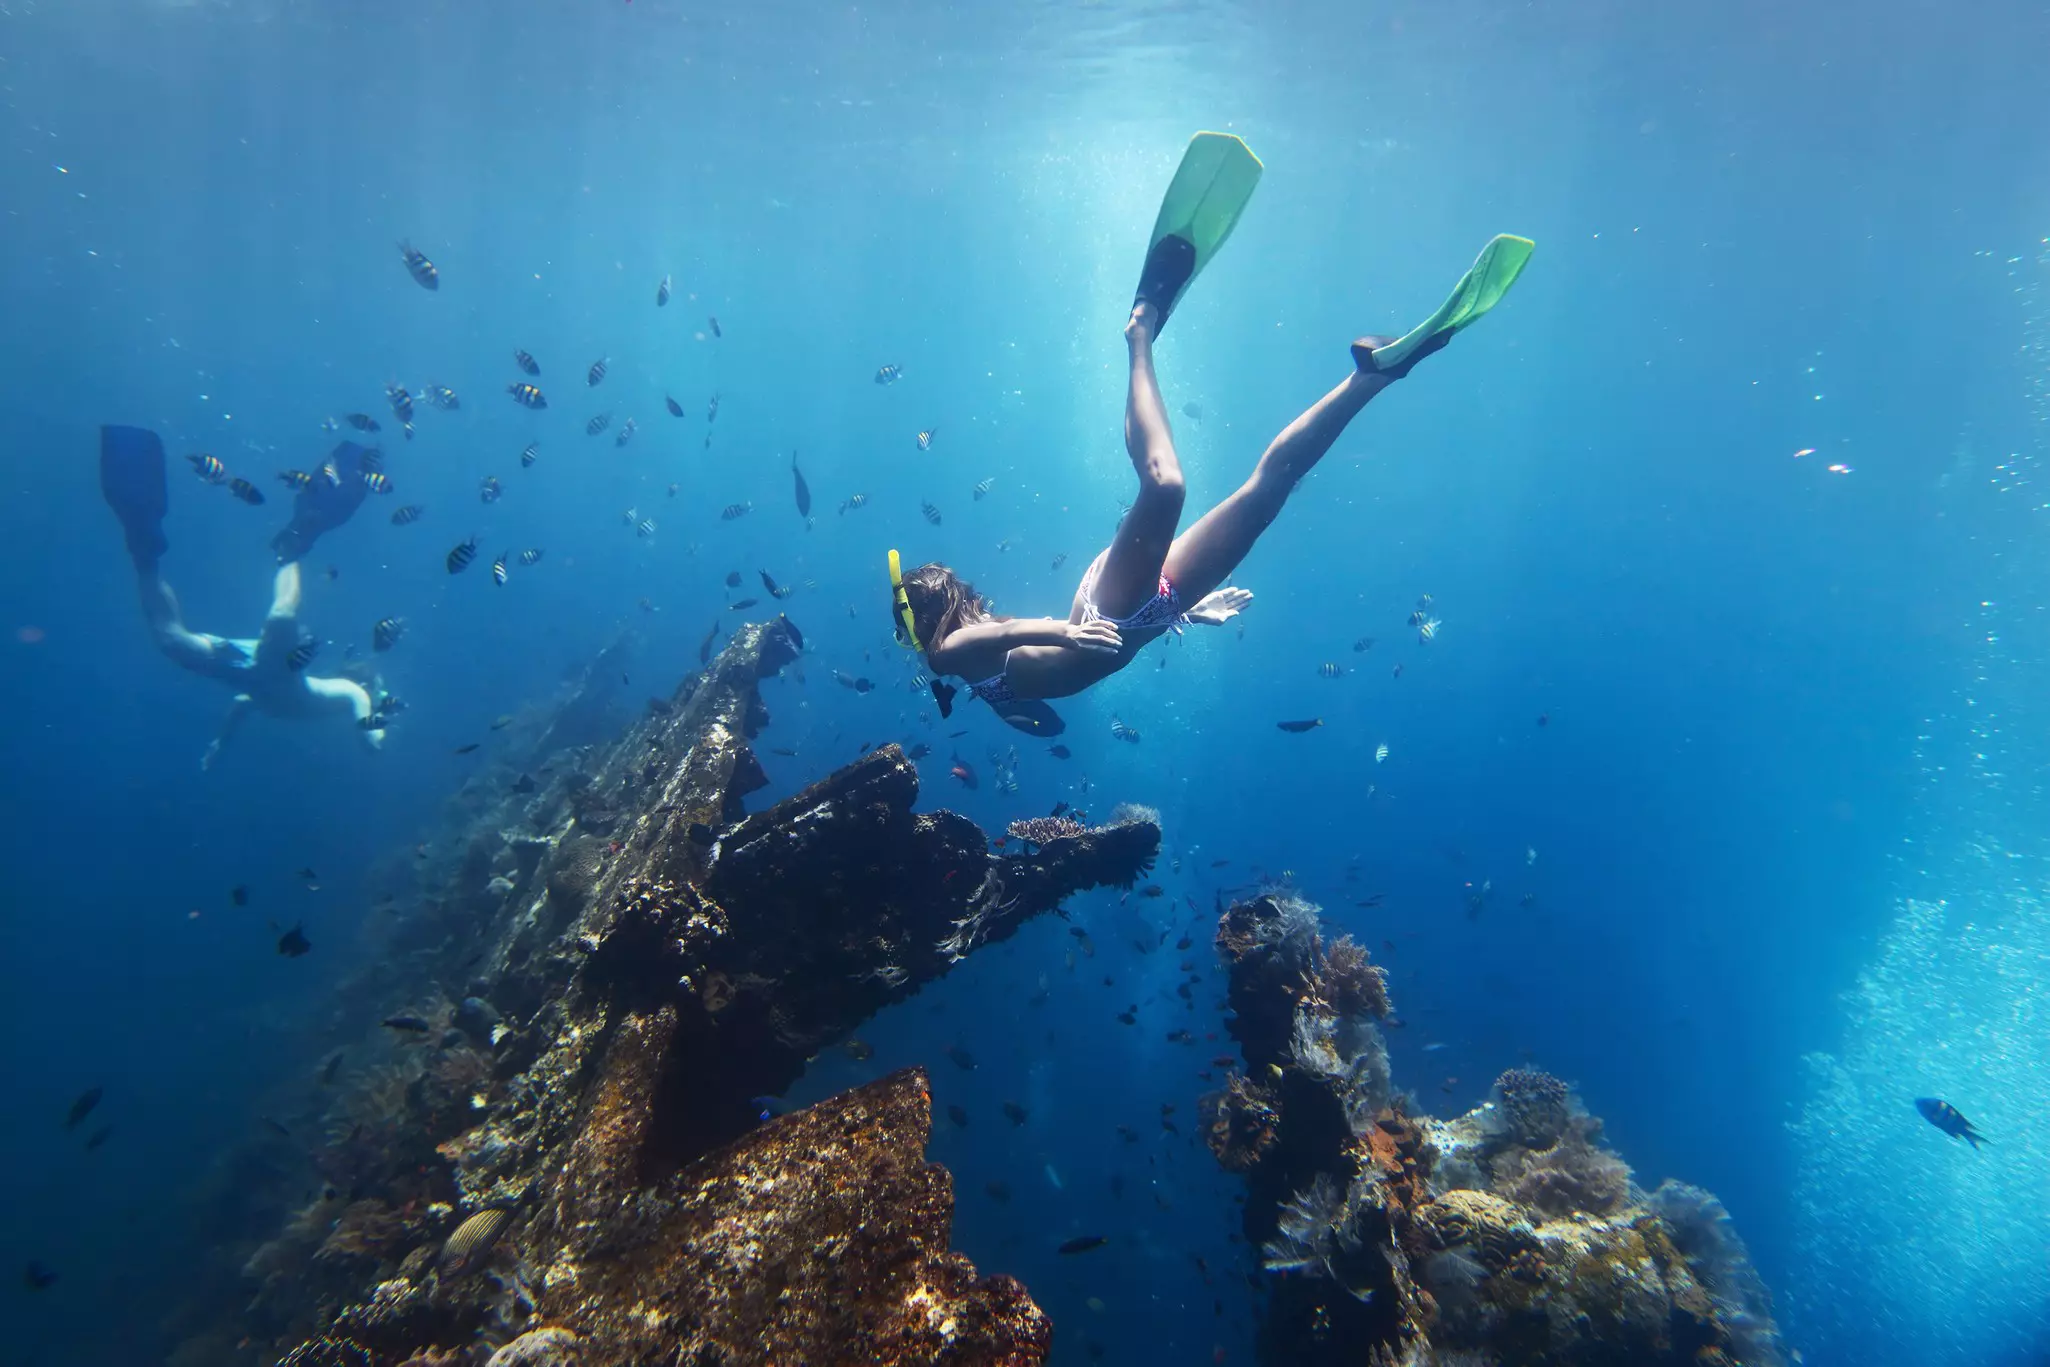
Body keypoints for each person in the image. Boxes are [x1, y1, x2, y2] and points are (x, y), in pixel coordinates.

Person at [890, 133, 1533, 726]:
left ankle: (1140, 330)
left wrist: (1064, 638)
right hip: (1157, 608)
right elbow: (1044, 711)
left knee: (1166, 488)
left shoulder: (950, 653)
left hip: (1106, 608)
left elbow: (1004, 639)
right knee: (1267, 493)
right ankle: (1370, 377)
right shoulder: (965, 679)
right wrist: (1188, 613)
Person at [99, 425, 385, 768]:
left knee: (170, 640)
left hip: (248, 672)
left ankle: (143, 548)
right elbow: (361, 705)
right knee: (281, 613)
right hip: (276, 668)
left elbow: (242, 704)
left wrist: (221, 741)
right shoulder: (341, 692)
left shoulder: (318, 697)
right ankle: (296, 543)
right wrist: (372, 736)